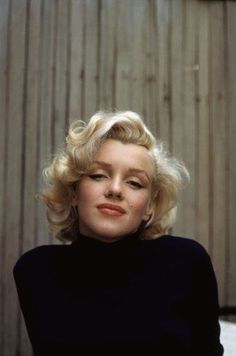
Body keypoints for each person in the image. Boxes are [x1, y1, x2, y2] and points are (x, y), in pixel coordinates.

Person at [13, 111, 224, 355]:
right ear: (73, 192)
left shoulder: (187, 262)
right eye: (98, 175)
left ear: (150, 207)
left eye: (134, 183)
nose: (115, 189)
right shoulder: (36, 270)